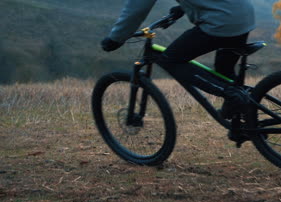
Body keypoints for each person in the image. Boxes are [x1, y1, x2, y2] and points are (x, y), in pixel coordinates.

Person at [101, 0, 256, 119]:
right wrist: (185, 7)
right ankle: (247, 122)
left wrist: (116, 38)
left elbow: (136, 10)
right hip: (243, 16)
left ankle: (231, 95)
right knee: (224, 70)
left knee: (170, 60)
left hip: (222, 21)